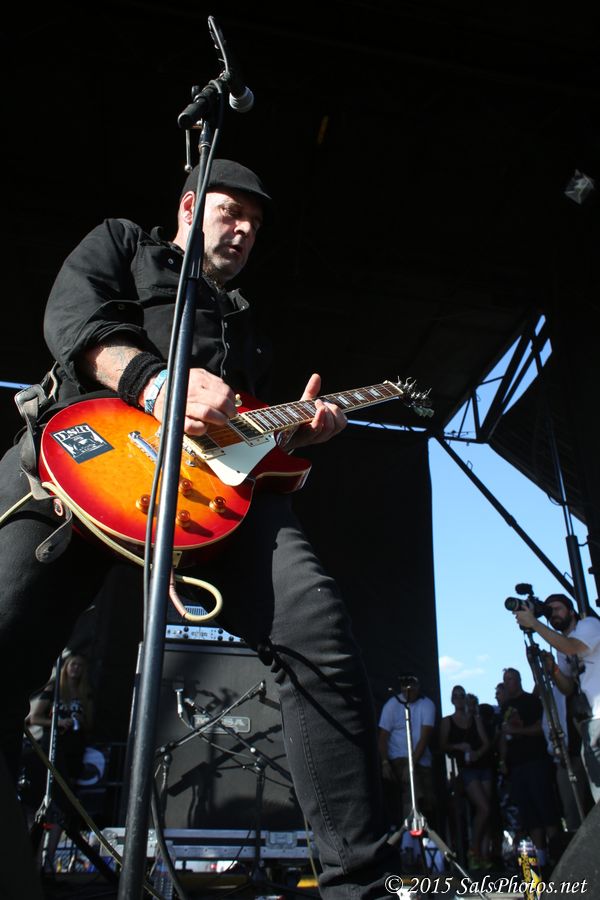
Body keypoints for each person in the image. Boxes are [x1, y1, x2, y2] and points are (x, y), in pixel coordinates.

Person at [0, 158, 403, 898]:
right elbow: (73, 314)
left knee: (317, 628)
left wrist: (295, 434)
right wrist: (154, 382)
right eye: (230, 211)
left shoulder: (244, 323)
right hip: (87, 462)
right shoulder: (124, 242)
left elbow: (236, 437)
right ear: (189, 208)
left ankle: (359, 883)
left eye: (256, 222)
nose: (245, 229)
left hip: (207, 495)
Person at [515, 593, 600, 804]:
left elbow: (572, 647)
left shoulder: (588, 625)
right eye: (549, 611)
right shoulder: (561, 648)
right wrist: (553, 668)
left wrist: (534, 624)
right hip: (589, 723)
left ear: (571, 611)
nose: (553, 613)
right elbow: (567, 688)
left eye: (558, 608)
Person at [498, 667, 561, 873]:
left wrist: (518, 730)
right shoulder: (505, 707)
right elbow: (503, 735)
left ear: (518, 680)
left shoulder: (532, 702)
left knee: (546, 809)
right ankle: (540, 861)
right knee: (529, 814)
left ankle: (559, 856)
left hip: (536, 761)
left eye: (510, 679)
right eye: (505, 679)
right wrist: (503, 760)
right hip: (516, 766)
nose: (507, 683)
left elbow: (541, 727)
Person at [439, 685, 493, 870]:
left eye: (462, 695)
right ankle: (474, 849)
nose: (459, 698)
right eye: (456, 696)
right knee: (484, 808)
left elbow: (486, 742)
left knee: (486, 811)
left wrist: (478, 753)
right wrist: (458, 746)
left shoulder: (475, 719)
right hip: (466, 769)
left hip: (483, 766)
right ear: (452, 700)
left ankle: (484, 855)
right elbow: (442, 745)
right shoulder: (448, 721)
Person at [378, 675, 436, 828]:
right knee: (412, 793)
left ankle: (423, 835)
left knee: (428, 800)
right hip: (398, 757)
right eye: (405, 685)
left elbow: (425, 737)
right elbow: (383, 737)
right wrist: (385, 763)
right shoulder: (392, 705)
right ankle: (408, 836)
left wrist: (411, 764)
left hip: (421, 759)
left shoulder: (427, 705)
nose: (408, 689)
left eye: (412, 685)